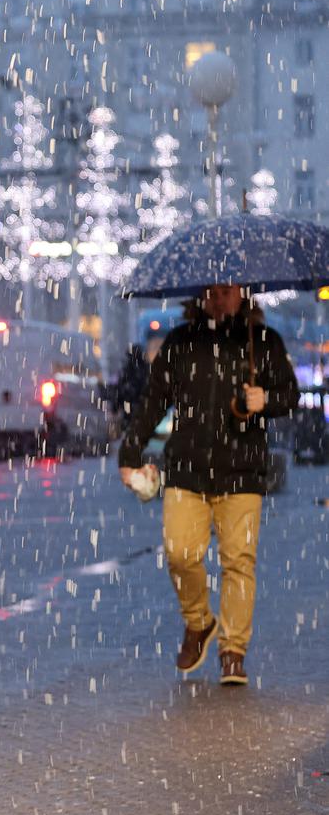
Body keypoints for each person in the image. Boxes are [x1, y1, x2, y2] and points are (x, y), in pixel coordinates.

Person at [118, 284, 300, 687]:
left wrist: (263, 401)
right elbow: (154, 400)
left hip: (243, 472)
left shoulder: (264, 342)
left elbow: (290, 395)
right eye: (213, 292)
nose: (219, 300)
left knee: (239, 562)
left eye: (228, 292)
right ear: (200, 297)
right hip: (187, 470)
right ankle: (199, 623)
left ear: (243, 295)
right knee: (180, 553)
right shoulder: (181, 342)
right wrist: (129, 455)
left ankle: (233, 651)